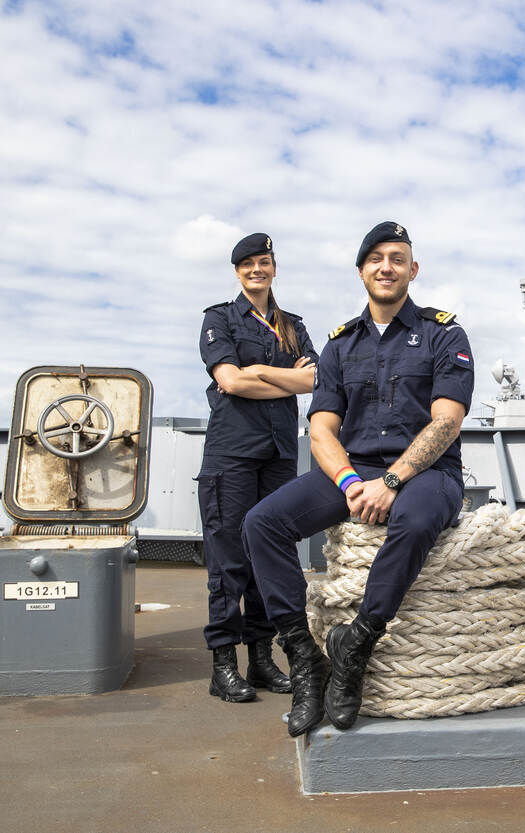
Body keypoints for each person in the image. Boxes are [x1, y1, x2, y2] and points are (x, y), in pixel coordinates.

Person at [242, 220, 474, 737]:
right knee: (262, 523)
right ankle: (305, 659)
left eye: (397, 259)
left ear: (413, 270)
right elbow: (322, 429)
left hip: (427, 471)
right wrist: (350, 483)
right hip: (356, 469)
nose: (386, 267)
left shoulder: (444, 334)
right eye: (375, 259)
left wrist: (391, 482)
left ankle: (356, 644)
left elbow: (446, 422)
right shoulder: (340, 345)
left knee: (414, 521)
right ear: (362, 271)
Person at [197, 233, 319, 703]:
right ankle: (223, 666)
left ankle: (262, 660)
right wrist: (285, 380)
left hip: (278, 454)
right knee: (229, 560)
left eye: (264, 262)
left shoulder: (292, 325)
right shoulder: (219, 319)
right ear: (237, 271)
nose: (256, 270)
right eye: (248, 263)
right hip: (231, 452)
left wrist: (261, 373)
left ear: (274, 268)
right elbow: (229, 380)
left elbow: (313, 380)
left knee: (268, 556)